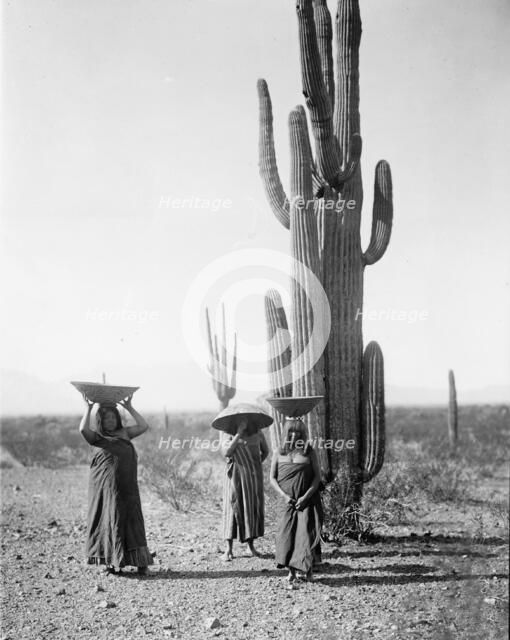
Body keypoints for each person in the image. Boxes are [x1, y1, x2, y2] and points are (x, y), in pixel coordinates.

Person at [79, 394, 153, 575]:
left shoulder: (125, 433)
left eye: (113, 417)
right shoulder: (96, 438)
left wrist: (129, 407)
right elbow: (82, 429)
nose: (110, 421)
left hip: (128, 487)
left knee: (132, 520)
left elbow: (143, 426)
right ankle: (110, 561)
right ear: (100, 421)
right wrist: (88, 408)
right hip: (107, 489)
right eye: (106, 418)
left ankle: (140, 562)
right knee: (109, 519)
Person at [270, 419, 323, 582]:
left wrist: (305, 496)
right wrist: (284, 496)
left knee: (305, 534)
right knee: (287, 535)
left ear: (303, 434)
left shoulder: (309, 451)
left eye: (298, 432)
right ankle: (291, 572)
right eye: (291, 432)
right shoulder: (279, 452)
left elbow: (317, 477)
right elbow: (272, 478)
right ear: (286, 433)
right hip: (286, 501)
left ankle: (308, 571)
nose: (295, 435)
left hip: (307, 499)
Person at [220, 416, 270, 561]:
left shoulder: (258, 433)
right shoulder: (227, 434)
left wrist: (254, 465)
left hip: (252, 477)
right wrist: (239, 433)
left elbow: (265, 451)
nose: (244, 422)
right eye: (240, 420)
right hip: (233, 476)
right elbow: (227, 452)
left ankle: (250, 546)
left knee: (250, 508)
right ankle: (228, 549)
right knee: (231, 508)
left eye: (246, 419)